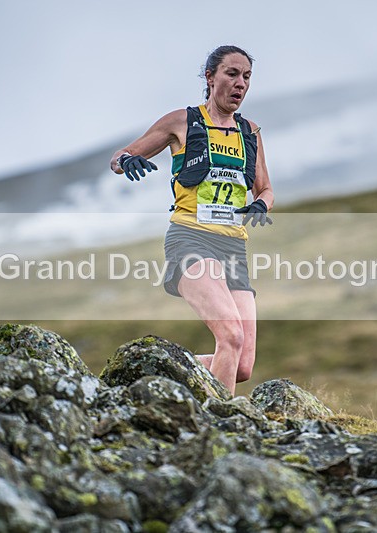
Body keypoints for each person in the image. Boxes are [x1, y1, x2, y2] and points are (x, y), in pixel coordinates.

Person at [109, 45, 273, 396]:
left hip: (234, 246)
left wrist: (261, 205)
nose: (240, 83)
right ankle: (225, 426)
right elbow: (120, 157)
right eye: (231, 74)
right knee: (230, 336)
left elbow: (266, 190)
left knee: (241, 364)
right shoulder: (182, 122)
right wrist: (127, 161)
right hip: (191, 239)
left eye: (246, 77)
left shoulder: (251, 132)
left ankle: (160, 371)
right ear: (210, 77)